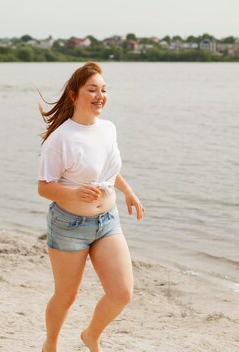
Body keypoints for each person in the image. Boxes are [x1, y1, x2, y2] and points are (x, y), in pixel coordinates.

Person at [37, 62, 145, 352]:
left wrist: (128, 192)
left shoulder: (108, 129)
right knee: (66, 296)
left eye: (104, 90)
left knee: (121, 293)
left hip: (108, 221)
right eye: (92, 89)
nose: (100, 95)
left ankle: (91, 335)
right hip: (69, 225)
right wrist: (73, 192)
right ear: (74, 95)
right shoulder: (60, 139)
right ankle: (51, 344)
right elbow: (44, 187)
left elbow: (109, 170)